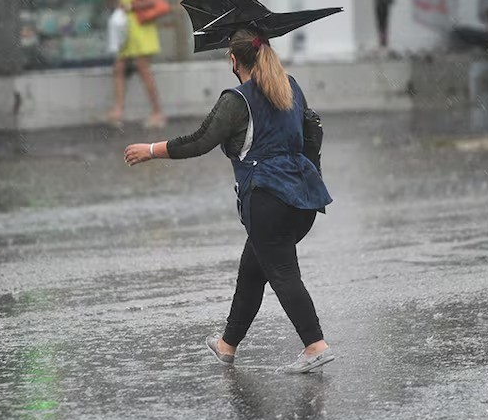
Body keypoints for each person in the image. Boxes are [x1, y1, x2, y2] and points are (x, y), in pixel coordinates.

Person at [122, 28, 335, 374]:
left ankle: (315, 345)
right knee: (253, 271)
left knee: (282, 272)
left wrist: (150, 150)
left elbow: (200, 140)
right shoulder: (290, 86)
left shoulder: (237, 101)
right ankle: (226, 346)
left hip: (268, 201)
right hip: (303, 197)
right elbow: (311, 133)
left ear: (234, 61)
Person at [108, 0, 165, 128]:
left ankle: (157, 112)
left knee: (143, 72)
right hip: (130, 35)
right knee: (119, 68)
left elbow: (149, 1)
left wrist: (129, 7)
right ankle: (118, 109)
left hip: (140, 33)